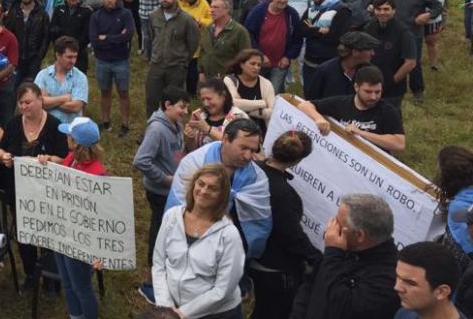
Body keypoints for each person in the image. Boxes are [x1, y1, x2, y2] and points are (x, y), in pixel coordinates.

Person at [0, 82, 69, 292]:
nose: (24, 107)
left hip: (48, 192)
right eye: (21, 103)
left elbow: (65, 158)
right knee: (24, 235)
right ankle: (30, 274)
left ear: (40, 100)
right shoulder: (13, 124)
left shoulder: (54, 125)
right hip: (18, 190)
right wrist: (4, 157)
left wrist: (50, 159)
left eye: (28, 102)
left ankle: (50, 277)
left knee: (47, 235)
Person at [152, 163, 245, 319]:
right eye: (201, 184)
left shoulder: (229, 235)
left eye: (212, 188)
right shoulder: (172, 216)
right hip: (172, 309)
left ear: (222, 196)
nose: (203, 191)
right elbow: (159, 263)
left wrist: (182, 313)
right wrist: (166, 307)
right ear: (193, 184)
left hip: (216, 314)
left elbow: (223, 289)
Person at [168, 119, 272, 259]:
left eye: (253, 150)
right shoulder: (195, 163)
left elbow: (259, 220)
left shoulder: (257, 179)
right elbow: (178, 204)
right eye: (243, 148)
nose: (248, 156)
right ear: (225, 139)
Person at [290, 194, 399, 319]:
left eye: (338, 224)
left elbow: (342, 307)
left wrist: (333, 254)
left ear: (359, 235)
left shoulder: (388, 278)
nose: (332, 229)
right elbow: (310, 285)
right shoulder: (342, 248)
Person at [250, 131, 322, 319]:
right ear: (297, 161)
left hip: (255, 258)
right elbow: (291, 235)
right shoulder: (282, 193)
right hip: (275, 268)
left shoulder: (255, 169)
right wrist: (317, 258)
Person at [50, 117, 106, 319]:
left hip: (79, 238)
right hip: (62, 230)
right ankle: (76, 315)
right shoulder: (71, 159)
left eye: (68, 135)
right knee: (67, 282)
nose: (65, 137)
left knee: (81, 287)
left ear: (75, 142)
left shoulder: (96, 175)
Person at [133, 86, 188, 265]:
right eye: (182, 107)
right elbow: (141, 160)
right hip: (160, 192)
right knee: (159, 229)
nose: (185, 111)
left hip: (174, 189)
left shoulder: (176, 125)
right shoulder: (157, 129)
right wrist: (165, 179)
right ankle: (154, 265)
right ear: (167, 105)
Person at [299, 65, 406, 153]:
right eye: (368, 92)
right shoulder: (341, 103)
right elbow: (304, 105)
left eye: (377, 92)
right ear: (356, 87)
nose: (373, 97)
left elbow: (399, 143)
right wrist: (319, 119)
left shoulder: (388, 111)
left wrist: (361, 133)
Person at [385, 0, 442, 102]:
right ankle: (393, 88)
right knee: (392, 60)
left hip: (412, 31)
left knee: (413, 62)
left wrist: (427, 15)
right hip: (392, 30)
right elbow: (380, 3)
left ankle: (418, 90)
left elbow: (437, 6)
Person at [145, 0, 200, 116]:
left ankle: (174, 129)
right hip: (156, 65)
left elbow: (193, 43)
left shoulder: (186, 19)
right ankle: (153, 129)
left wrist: (184, 61)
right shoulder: (154, 16)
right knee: (151, 99)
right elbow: (152, 37)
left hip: (176, 67)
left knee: (174, 102)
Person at [90, 0, 135, 136]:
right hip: (102, 60)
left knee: (123, 92)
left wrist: (107, 37)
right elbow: (94, 40)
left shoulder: (126, 14)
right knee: (104, 92)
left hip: (121, 60)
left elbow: (128, 35)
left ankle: (125, 124)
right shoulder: (96, 16)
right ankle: (105, 121)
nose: (109, 0)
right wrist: (117, 37)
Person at [245, 0, 302, 94]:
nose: (283, 0)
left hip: (280, 63)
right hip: (259, 61)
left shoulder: (292, 14)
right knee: (256, 91)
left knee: (274, 92)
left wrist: (288, 56)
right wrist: (260, 54)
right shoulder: (258, 11)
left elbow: (297, 38)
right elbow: (248, 34)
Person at [364, 0, 417, 108]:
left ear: (394, 10)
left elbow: (410, 62)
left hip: (392, 91)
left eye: (386, 9)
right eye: (378, 9)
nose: (382, 12)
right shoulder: (369, 27)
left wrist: (391, 82)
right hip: (369, 86)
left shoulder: (403, 32)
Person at [394, 242, 466, 319]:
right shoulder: (404, 313)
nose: (397, 287)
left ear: (441, 292)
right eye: (397, 277)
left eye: (410, 283)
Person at [304, 31, 378, 100]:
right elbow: (311, 100)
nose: (373, 53)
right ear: (355, 52)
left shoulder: (370, 72)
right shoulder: (325, 71)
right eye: (369, 50)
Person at [34, 36, 88, 124]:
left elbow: (76, 107)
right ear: (58, 55)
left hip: (70, 130)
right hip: (46, 128)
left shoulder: (80, 77)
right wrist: (65, 98)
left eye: (75, 57)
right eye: (69, 57)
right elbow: (38, 103)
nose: (73, 61)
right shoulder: (43, 75)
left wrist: (49, 100)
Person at [4, 0, 50, 82]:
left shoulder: (42, 14)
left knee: (31, 87)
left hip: (33, 58)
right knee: (14, 87)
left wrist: (39, 56)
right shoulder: (14, 10)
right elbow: (7, 31)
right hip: (16, 57)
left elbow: (46, 37)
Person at [198, 0, 251, 81]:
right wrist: (201, 72)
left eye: (216, 7)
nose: (211, 10)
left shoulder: (239, 32)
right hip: (207, 81)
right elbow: (203, 52)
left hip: (228, 81)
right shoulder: (208, 29)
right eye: (211, 7)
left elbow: (246, 58)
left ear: (227, 10)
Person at [49, 0, 93, 73]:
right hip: (61, 52)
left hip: (79, 53)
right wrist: (60, 46)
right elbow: (52, 29)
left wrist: (75, 47)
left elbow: (87, 33)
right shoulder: (58, 9)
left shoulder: (87, 11)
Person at [416, 0, 446, 71]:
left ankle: (434, 63)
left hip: (432, 18)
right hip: (417, 18)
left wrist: (428, 14)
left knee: (431, 41)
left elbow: (440, 1)